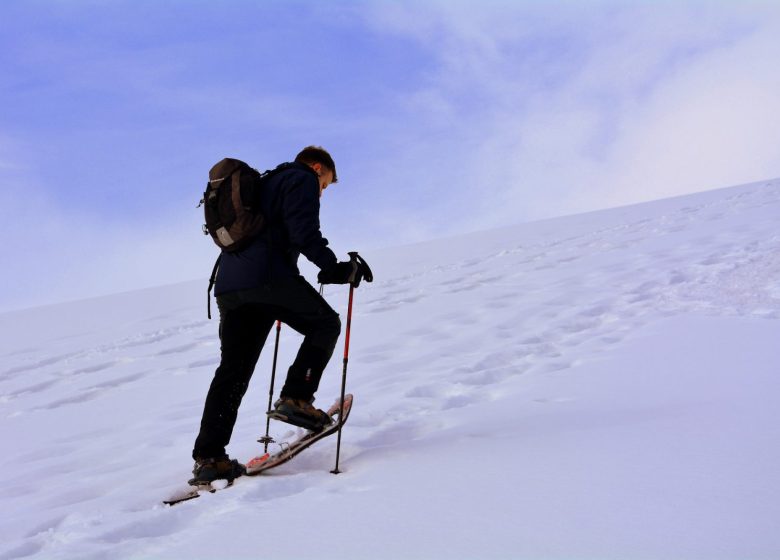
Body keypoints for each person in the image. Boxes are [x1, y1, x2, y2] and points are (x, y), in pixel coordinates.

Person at [190, 146, 372, 485]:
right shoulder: (300, 178)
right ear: (318, 167)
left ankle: (209, 457)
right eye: (326, 184)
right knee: (325, 324)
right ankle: (296, 399)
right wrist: (333, 267)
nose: (323, 191)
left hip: (230, 290)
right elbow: (303, 230)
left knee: (233, 373)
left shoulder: (263, 182)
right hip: (269, 278)